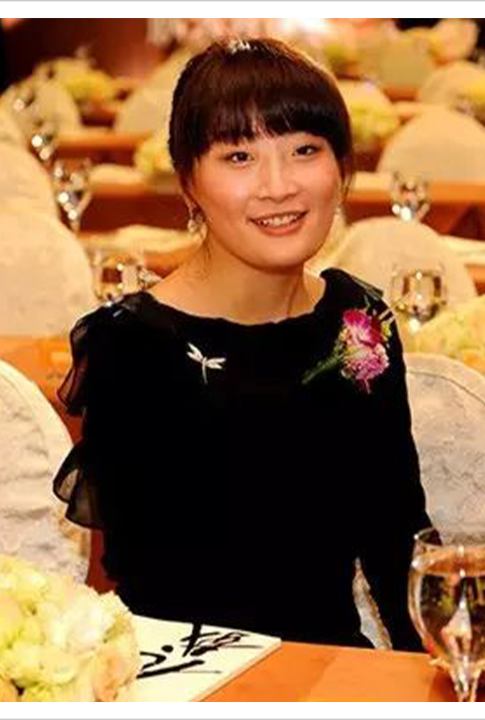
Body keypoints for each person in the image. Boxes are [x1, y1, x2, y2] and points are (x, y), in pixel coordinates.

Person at [53, 38, 431, 650]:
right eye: (238, 156)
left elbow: (396, 543)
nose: (278, 186)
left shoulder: (358, 320)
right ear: (188, 183)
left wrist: (439, 682)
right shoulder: (137, 345)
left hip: (335, 670)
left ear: (342, 169)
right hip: (195, 677)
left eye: (304, 150)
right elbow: (143, 587)